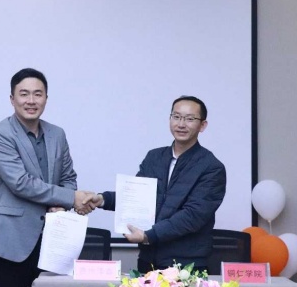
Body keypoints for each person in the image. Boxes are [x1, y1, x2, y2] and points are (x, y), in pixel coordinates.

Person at [0, 68, 94, 287]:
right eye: (24, 94)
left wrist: (62, 203)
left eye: (38, 94)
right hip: (11, 241)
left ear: (46, 98)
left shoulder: (57, 134)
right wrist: (70, 198)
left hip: (53, 241)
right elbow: (21, 183)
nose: (31, 101)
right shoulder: (0, 134)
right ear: (12, 99)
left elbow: (68, 177)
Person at [84, 95, 226, 273]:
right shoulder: (154, 157)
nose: (181, 124)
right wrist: (103, 199)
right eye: (176, 117)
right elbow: (136, 197)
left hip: (186, 265)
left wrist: (148, 236)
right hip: (148, 259)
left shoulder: (211, 167)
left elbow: (193, 216)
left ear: (202, 125)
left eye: (190, 119)